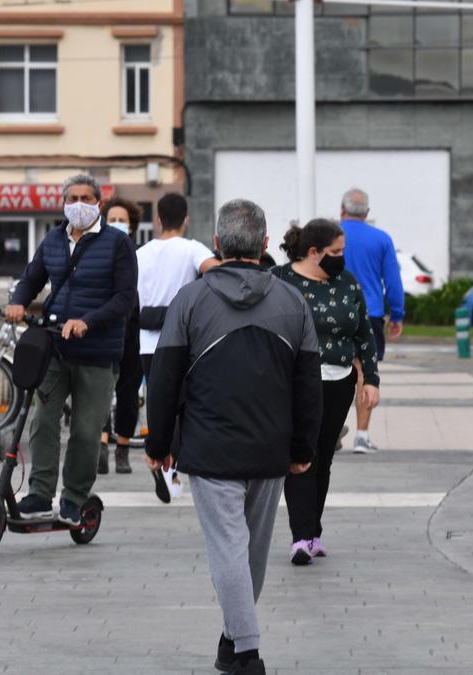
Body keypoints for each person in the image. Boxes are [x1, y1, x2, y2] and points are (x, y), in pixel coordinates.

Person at [145, 199, 321, 675]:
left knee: (229, 549)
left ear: (218, 244)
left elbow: (163, 379)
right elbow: (309, 384)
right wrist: (304, 450)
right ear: (264, 246)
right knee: (251, 551)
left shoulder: (191, 300)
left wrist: (157, 444)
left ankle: (246, 652)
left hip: (208, 447)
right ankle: (234, 639)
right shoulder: (293, 301)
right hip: (271, 448)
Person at [3, 175, 138, 526]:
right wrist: (18, 301)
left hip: (97, 352)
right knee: (42, 422)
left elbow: (124, 299)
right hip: (54, 347)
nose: (80, 203)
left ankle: (75, 497)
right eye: (73, 197)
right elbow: (31, 278)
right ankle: (39, 493)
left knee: (85, 431)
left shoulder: (117, 243)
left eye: (87, 197)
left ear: (99, 202)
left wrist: (88, 321)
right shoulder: (52, 239)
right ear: (64, 202)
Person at [275, 218, 380, 565]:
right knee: (301, 456)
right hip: (296, 384)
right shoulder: (280, 281)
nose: (341, 258)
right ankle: (300, 537)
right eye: (335, 252)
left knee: (323, 457)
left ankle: (313, 531)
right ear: (313, 252)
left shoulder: (347, 283)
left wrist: (371, 381)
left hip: (339, 382)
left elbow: (364, 333)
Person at [135, 192, 219, 495]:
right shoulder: (192, 248)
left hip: (148, 341)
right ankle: (177, 468)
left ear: (157, 220)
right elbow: (215, 270)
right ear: (186, 219)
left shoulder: (140, 253)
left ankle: (163, 466)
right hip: (184, 340)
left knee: (159, 404)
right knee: (186, 403)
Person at [340, 187, 402, 454]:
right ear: (366, 213)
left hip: (334, 311)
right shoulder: (381, 239)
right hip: (371, 313)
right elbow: (393, 281)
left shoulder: (330, 235)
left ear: (341, 210)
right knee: (365, 373)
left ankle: (331, 430)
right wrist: (397, 314)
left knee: (331, 373)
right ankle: (362, 436)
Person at [97, 197, 143, 475]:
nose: (116, 224)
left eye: (121, 219)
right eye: (111, 219)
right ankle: (101, 444)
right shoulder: (97, 252)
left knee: (128, 392)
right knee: (100, 389)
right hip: (103, 330)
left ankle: (123, 449)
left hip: (134, 330)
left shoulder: (142, 254)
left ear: (132, 225)